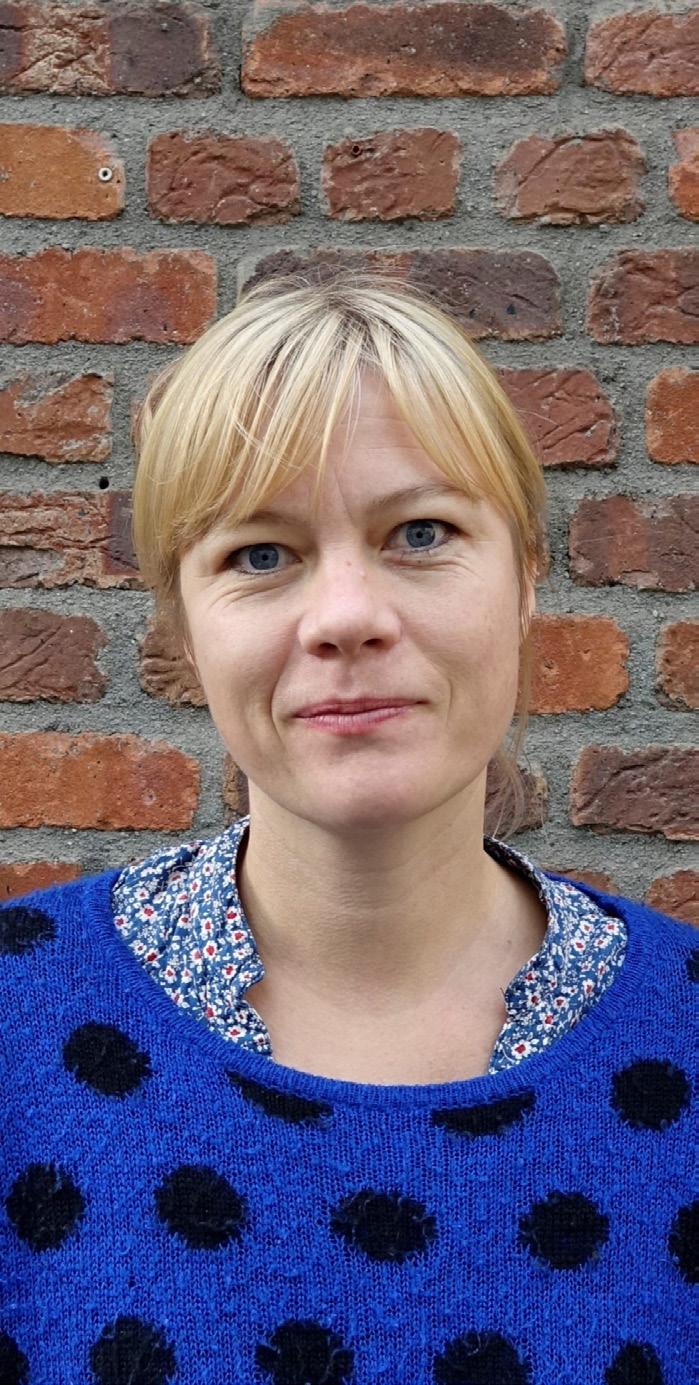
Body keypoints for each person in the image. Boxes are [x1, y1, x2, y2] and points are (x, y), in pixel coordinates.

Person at [0, 273, 694, 1385]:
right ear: (184, 621)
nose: (347, 617)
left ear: (524, 578)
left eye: (420, 532)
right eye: (259, 554)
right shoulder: (17, 1025)